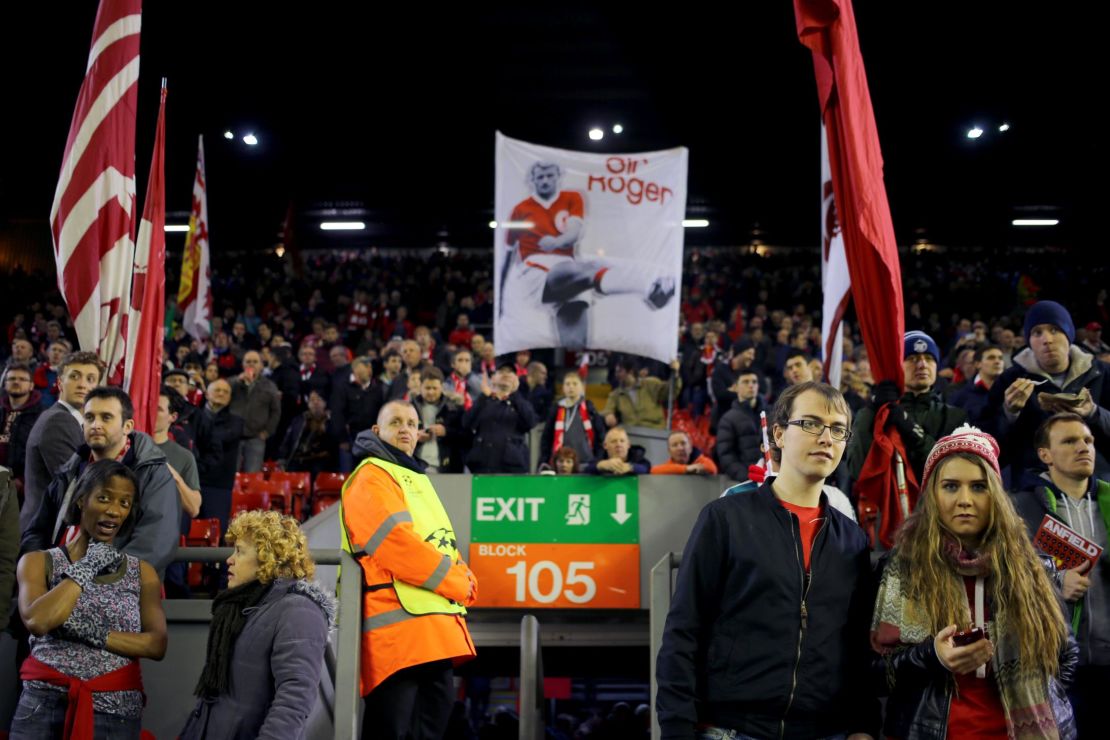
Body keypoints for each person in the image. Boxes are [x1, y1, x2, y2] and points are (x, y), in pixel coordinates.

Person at [656, 382, 876, 739]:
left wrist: (863, 727)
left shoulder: (852, 541)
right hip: (732, 730)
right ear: (779, 434)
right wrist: (677, 729)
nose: (825, 437)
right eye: (810, 423)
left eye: (838, 429)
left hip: (823, 732)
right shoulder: (724, 519)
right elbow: (684, 632)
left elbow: (855, 648)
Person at [870, 425, 1077, 739]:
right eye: (951, 486)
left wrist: (1035, 694)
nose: (965, 499)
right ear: (932, 495)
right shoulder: (900, 568)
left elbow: (1066, 656)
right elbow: (874, 675)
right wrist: (933, 657)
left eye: (979, 487)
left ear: (995, 494)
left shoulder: (1035, 567)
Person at [341, 400, 477, 739]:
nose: (405, 429)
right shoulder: (372, 474)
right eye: (395, 422)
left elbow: (438, 543)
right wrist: (458, 581)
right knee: (395, 728)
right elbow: (396, 544)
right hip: (398, 635)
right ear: (376, 431)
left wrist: (464, 576)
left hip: (431, 630)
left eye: (412, 423)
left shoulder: (413, 476)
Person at [13, 461, 167, 739]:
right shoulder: (37, 561)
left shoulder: (142, 573)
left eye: (124, 503)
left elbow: (156, 644)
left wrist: (86, 632)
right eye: (104, 497)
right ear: (82, 499)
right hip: (44, 707)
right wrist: (86, 566)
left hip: (116, 715)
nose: (114, 510)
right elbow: (38, 620)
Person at [180, 510, 335, 740]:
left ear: (268, 557)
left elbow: (293, 702)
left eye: (240, 551)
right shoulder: (244, 608)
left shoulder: (300, 611)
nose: (229, 559)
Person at [499, 160, 676, 349]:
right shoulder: (521, 209)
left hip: (570, 267)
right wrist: (500, 299)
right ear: (532, 180)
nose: (545, 181)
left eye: (549, 175)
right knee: (591, 268)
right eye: (540, 177)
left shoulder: (572, 197)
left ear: (559, 177)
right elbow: (507, 255)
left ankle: (573, 372)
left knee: (575, 345)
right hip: (536, 269)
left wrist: (557, 242)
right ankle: (649, 288)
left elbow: (574, 232)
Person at [1012, 413, 1109, 737]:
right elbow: (1006, 575)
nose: (1084, 447)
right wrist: (1055, 581)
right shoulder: (1021, 508)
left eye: (1088, 441)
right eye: (1069, 441)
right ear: (1045, 455)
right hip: (1057, 667)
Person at [22, 387, 181, 576]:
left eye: (106, 417)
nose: (96, 424)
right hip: (56, 584)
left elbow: (155, 543)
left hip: (117, 592)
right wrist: (38, 572)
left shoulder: (152, 473)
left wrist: (96, 581)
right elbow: (37, 532)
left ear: (127, 427)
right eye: (89, 417)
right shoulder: (69, 471)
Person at [21, 351, 103, 534]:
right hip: (44, 535)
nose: (82, 384)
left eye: (90, 379)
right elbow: (78, 486)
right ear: (59, 383)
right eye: (74, 376)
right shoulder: (59, 420)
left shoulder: (69, 420)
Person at [228, 350, 281, 473]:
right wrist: (237, 381)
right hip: (233, 437)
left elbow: (276, 411)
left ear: (261, 365)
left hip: (256, 438)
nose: (251, 364)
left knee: (252, 475)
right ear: (243, 364)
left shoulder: (270, 386)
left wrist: (267, 432)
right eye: (248, 361)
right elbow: (220, 394)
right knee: (230, 474)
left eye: (255, 362)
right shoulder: (233, 382)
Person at [540, 371, 606, 468]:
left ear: (582, 387)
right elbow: (546, 437)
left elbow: (601, 435)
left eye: (575, 384)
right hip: (562, 464)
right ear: (563, 388)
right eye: (567, 384)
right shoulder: (556, 409)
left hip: (586, 462)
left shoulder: (589, 408)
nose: (571, 387)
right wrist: (544, 460)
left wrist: (598, 459)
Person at [584, 426, 650, 476]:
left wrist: (630, 467)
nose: (618, 445)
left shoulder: (636, 455)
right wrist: (601, 465)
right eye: (613, 441)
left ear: (628, 445)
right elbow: (587, 469)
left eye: (622, 441)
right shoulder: (600, 455)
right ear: (605, 445)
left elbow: (646, 468)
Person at [651, 430, 718, 475]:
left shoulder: (700, 460)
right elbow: (654, 470)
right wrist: (686, 469)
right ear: (669, 451)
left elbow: (712, 468)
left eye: (683, 443)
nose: (680, 448)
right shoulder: (668, 466)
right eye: (675, 445)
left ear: (690, 447)